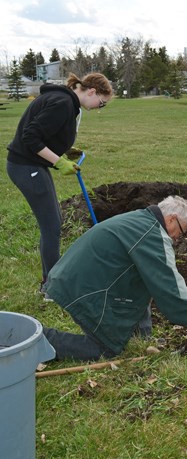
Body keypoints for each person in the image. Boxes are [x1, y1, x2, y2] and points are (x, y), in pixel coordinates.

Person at [42, 195, 187, 361]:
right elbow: (169, 286)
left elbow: (146, 279)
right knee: (106, 349)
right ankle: (42, 341)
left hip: (74, 276)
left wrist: (143, 335)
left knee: (142, 277)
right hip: (80, 287)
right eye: (180, 231)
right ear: (171, 219)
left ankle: (141, 337)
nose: (178, 238)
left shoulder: (141, 219)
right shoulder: (152, 236)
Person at [6, 72, 113, 296]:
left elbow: (47, 133)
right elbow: (30, 137)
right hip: (26, 168)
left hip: (33, 166)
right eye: (101, 103)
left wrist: (61, 150)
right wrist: (59, 161)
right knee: (52, 227)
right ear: (92, 92)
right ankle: (51, 288)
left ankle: (51, 280)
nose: (98, 108)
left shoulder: (65, 101)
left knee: (54, 223)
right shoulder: (63, 103)